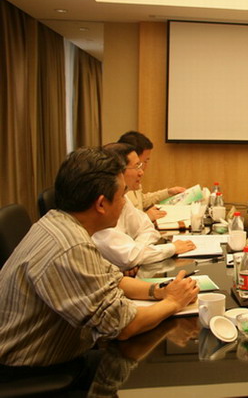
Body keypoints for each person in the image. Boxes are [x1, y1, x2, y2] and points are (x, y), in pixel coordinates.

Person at [0, 147, 198, 386]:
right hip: (32, 374)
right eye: (123, 195)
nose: (125, 203)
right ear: (102, 204)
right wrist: (173, 302)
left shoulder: (60, 223)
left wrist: (158, 292)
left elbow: (113, 279)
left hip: (48, 356)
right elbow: (124, 326)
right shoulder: (71, 246)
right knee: (154, 378)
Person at [92, 143, 195, 270]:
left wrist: (136, 252)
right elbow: (129, 258)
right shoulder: (101, 207)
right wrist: (172, 248)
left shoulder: (122, 197)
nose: (141, 172)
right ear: (118, 171)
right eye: (137, 166)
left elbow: (147, 228)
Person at [118, 131, 185, 222]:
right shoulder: (118, 191)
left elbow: (141, 201)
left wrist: (168, 192)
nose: (142, 171)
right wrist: (146, 217)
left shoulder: (133, 180)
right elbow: (124, 224)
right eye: (144, 161)